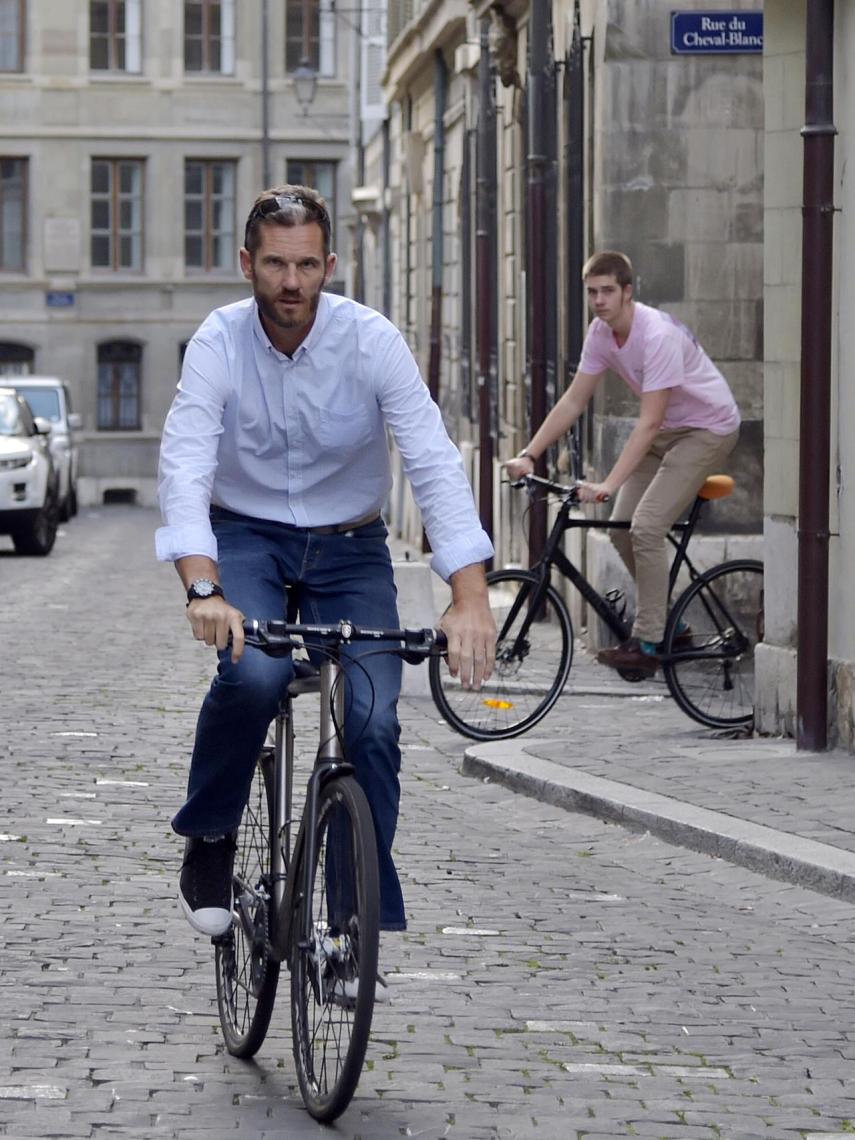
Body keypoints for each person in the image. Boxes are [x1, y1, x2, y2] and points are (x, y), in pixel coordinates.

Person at [156, 185, 496, 985]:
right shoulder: (218, 342)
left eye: (307, 264)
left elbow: (433, 462)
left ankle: (350, 927)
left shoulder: (370, 341)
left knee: (373, 718)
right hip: (245, 536)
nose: (290, 282)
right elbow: (184, 464)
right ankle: (209, 838)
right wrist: (203, 587)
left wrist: (470, 594)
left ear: (329, 266)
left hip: (349, 549)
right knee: (257, 671)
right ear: (247, 264)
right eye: (274, 263)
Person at [505, 249, 740, 677]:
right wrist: (529, 452)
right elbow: (574, 400)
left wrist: (608, 482)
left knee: (647, 526)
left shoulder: (657, 336)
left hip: (707, 428)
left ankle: (648, 641)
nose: (598, 300)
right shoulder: (600, 333)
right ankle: (675, 624)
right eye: (592, 292)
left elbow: (648, 424)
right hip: (668, 428)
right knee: (621, 528)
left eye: (607, 291)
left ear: (627, 292)